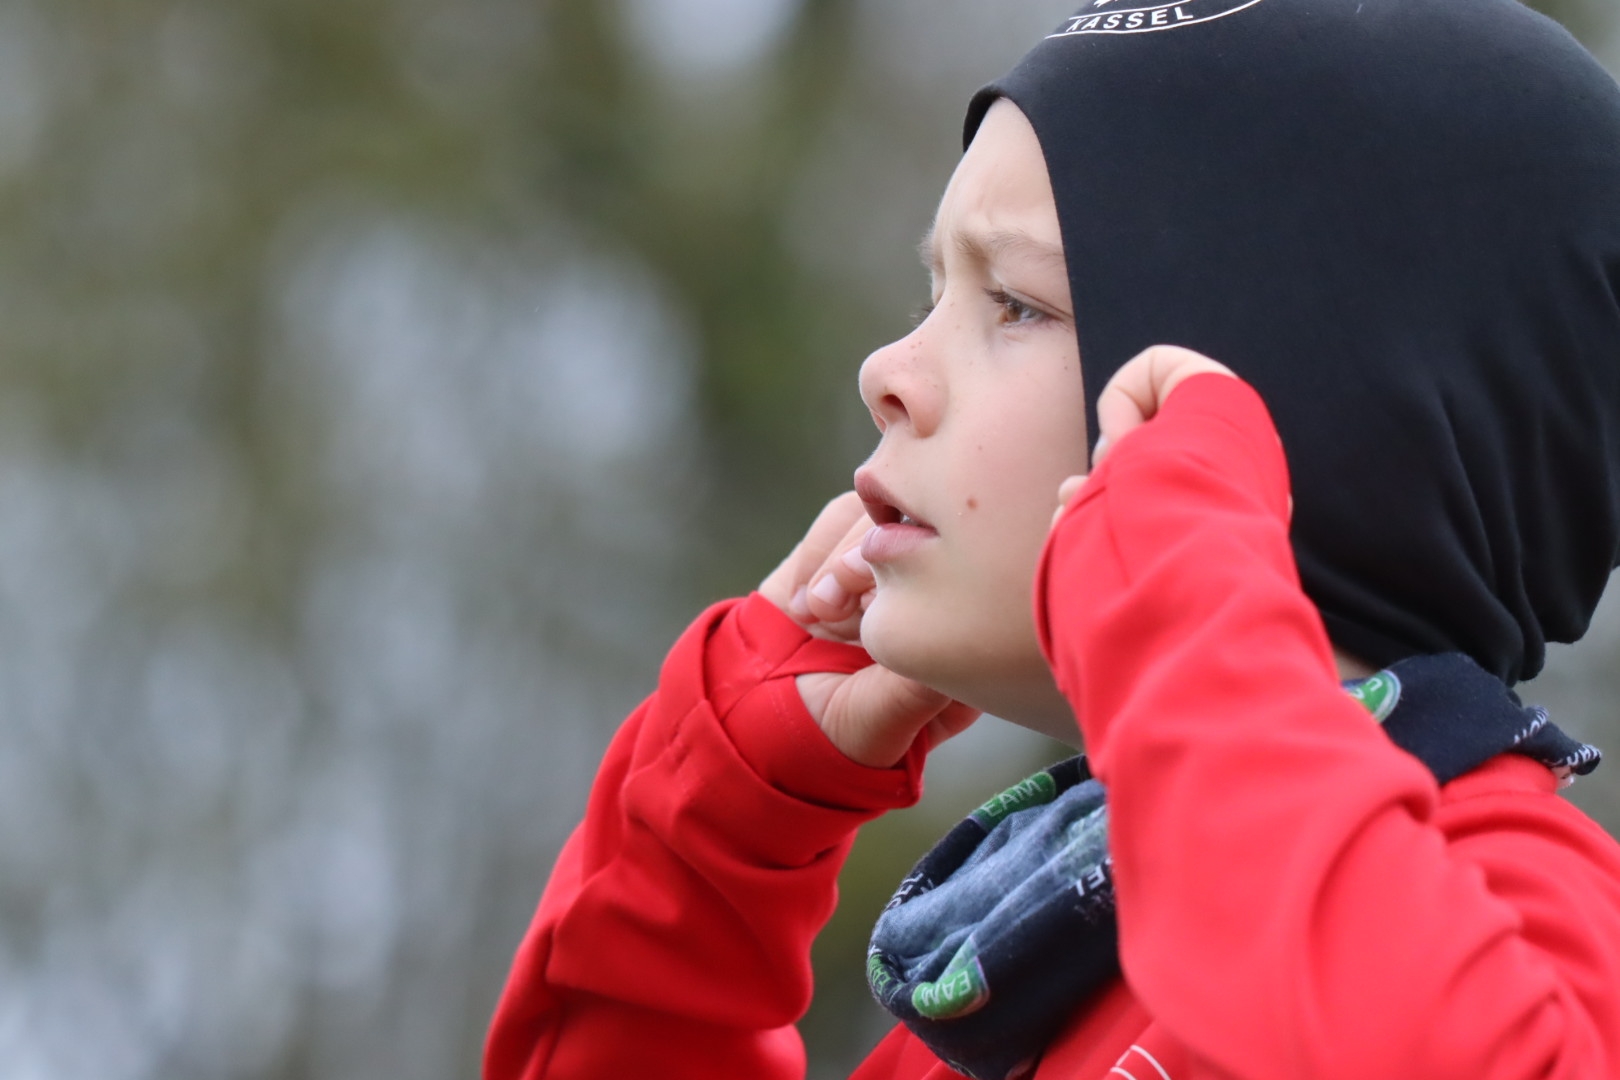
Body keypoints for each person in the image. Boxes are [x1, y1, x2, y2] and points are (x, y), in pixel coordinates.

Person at [483, 1, 1620, 1077]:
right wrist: (707, 844)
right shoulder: (1019, 981)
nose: (887, 372)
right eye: (932, 293)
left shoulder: (1513, 919)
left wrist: (1183, 613)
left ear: (1311, 417)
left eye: (1016, 304)